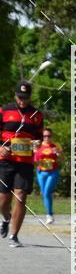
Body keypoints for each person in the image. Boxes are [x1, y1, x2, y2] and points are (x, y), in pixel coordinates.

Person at [0, 81, 44, 247]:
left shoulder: (37, 115)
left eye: (25, 98)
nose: (22, 101)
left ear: (30, 97)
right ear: (15, 95)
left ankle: (14, 235)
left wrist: (37, 144)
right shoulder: (4, 111)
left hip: (24, 162)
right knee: (3, 200)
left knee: (20, 196)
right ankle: (5, 218)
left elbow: (38, 137)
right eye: (20, 97)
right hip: (5, 161)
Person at [34, 127, 63, 224]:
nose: (47, 138)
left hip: (53, 172)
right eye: (44, 136)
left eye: (48, 136)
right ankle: (49, 214)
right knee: (44, 193)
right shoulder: (38, 145)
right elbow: (35, 160)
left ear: (51, 136)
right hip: (41, 172)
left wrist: (59, 153)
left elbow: (62, 158)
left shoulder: (56, 145)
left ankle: (49, 215)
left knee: (46, 192)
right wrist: (35, 151)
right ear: (42, 137)